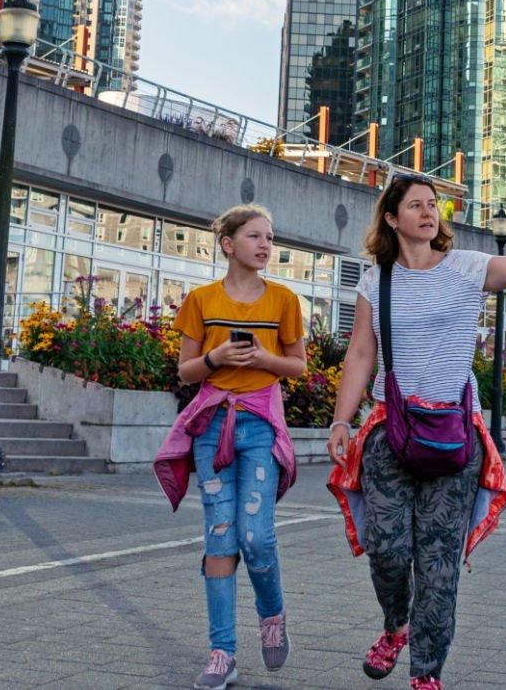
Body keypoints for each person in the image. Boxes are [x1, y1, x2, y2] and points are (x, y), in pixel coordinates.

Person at [326, 174, 506, 690]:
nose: (429, 213)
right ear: (392, 218)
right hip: (390, 432)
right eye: (416, 206)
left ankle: (427, 672)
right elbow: (360, 354)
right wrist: (341, 420)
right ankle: (396, 626)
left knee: (439, 564)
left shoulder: (467, 267)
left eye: (433, 205)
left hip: (452, 436)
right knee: (386, 550)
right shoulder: (376, 281)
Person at [153, 204, 307, 690]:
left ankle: (272, 615)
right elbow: (186, 371)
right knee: (220, 537)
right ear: (228, 244)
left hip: (260, 424)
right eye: (255, 236)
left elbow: (298, 365)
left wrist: (263, 359)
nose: (265, 245)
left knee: (256, 537)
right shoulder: (201, 300)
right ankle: (222, 653)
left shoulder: (284, 300)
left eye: (270, 238)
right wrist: (216, 357)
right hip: (212, 424)